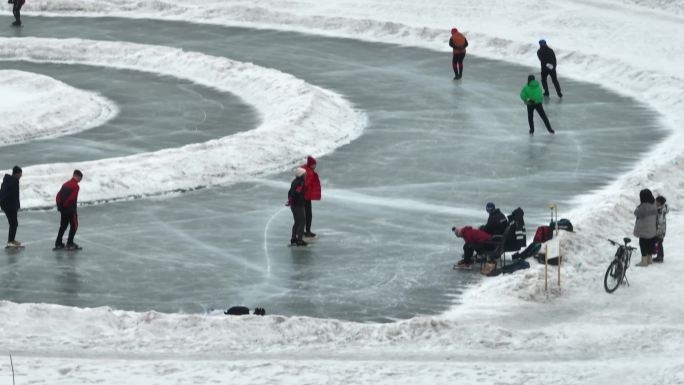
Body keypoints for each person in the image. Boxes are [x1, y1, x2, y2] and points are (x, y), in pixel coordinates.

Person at [55, 169, 83, 250]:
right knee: (74, 225)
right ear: (77, 176)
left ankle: (58, 243)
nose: (80, 180)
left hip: (63, 210)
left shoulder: (65, 184)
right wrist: (65, 205)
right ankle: (70, 243)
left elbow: (58, 196)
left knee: (63, 226)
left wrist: (59, 205)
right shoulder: (76, 186)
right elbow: (72, 198)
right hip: (71, 210)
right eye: (80, 178)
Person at [634, 188, 657, 267]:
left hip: (644, 230)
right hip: (652, 228)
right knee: (650, 244)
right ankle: (649, 259)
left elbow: (636, 213)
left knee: (643, 244)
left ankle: (644, 262)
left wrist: (638, 207)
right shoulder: (654, 203)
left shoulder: (644, 206)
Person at [0, 166, 22, 247]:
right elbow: (11, 195)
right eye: (20, 174)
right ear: (17, 173)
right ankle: (10, 241)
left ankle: (11, 240)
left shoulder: (8, 180)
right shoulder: (13, 182)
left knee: (13, 223)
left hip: (7, 206)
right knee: (14, 223)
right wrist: (14, 206)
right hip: (10, 206)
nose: (21, 175)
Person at [301, 156, 321, 238]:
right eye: (313, 164)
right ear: (310, 164)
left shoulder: (306, 170)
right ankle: (306, 231)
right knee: (307, 214)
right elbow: (305, 184)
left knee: (306, 214)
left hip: (306, 196)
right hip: (304, 197)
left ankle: (304, 231)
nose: (315, 166)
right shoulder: (308, 172)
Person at [287, 167, 307, 246]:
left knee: (297, 221)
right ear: (301, 175)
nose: (306, 175)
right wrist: (301, 199)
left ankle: (293, 238)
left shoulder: (294, 181)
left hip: (294, 205)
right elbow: (296, 193)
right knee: (302, 221)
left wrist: (291, 200)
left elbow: (290, 192)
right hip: (298, 205)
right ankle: (299, 240)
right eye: (305, 174)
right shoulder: (300, 183)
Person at [654, 195, 668, 263]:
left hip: (660, 230)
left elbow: (660, 221)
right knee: (657, 243)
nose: (655, 202)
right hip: (660, 229)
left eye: (656, 201)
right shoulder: (660, 209)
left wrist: (657, 231)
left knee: (659, 243)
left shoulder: (661, 210)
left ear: (660, 202)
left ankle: (660, 257)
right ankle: (658, 256)